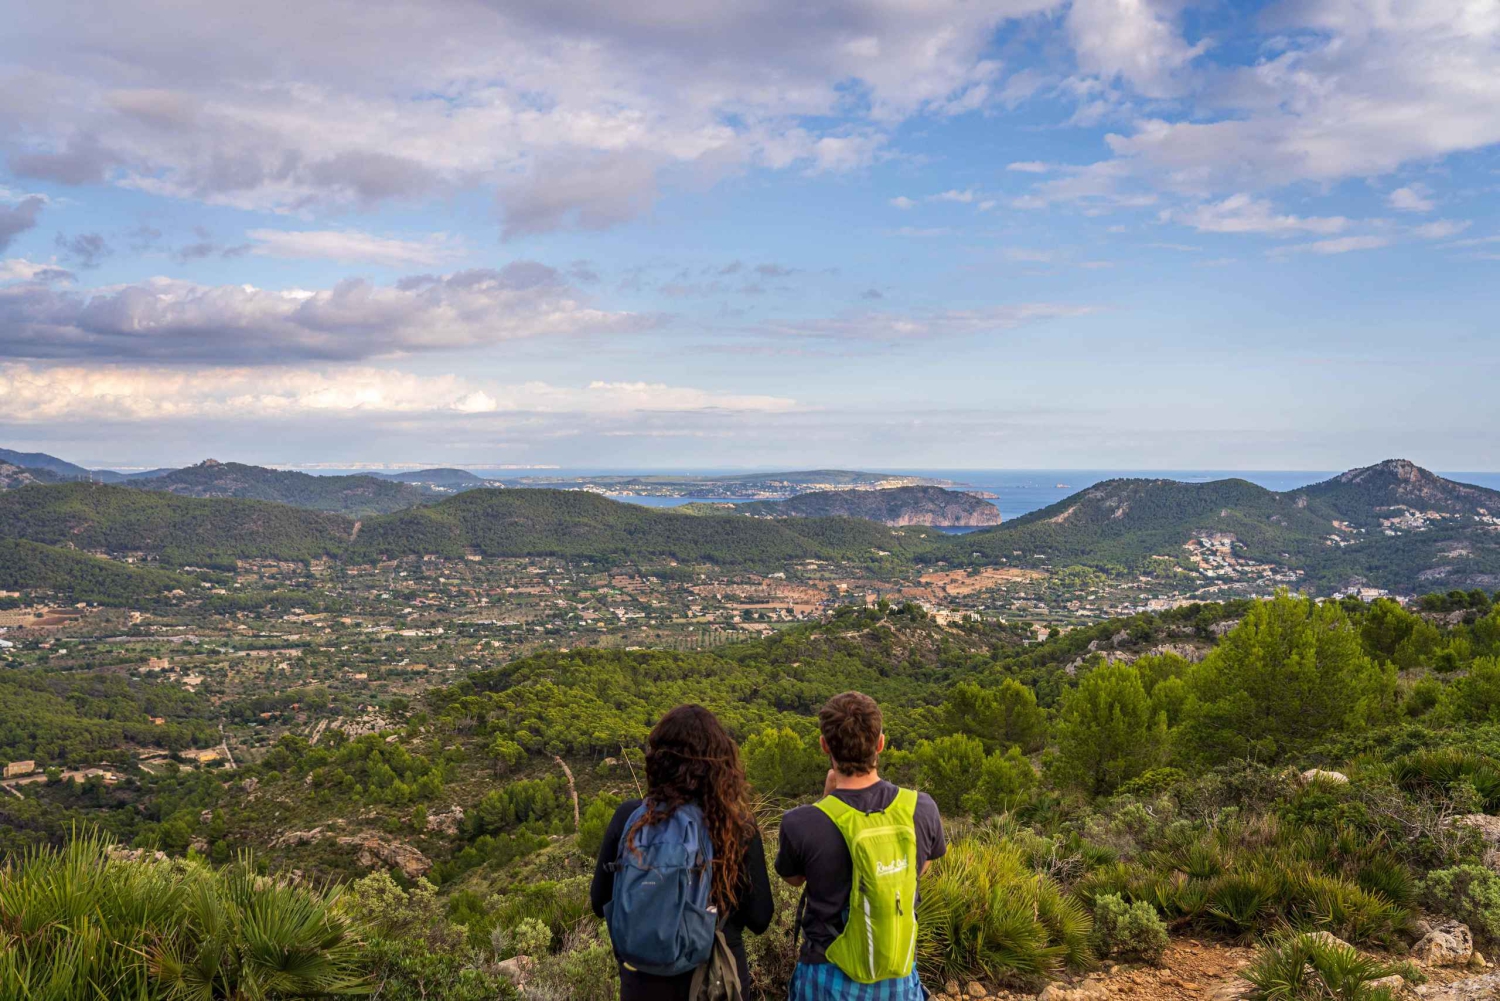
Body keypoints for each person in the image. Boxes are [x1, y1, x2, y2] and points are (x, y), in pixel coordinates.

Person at [592, 704, 775, 1000]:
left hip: (643, 984)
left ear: (657, 760)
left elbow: (599, 903)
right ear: (720, 763)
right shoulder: (736, 825)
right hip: (714, 983)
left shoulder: (629, 816)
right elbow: (760, 918)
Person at [776, 691, 947, 1000]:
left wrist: (826, 801)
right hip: (898, 974)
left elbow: (792, 879)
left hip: (826, 975)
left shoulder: (801, 823)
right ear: (880, 743)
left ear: (824, 745)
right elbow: (921, 869)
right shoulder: (921, 808)